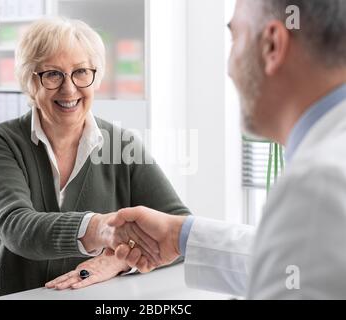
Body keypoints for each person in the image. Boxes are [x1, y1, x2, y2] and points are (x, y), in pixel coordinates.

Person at [109, 0, 346, 299]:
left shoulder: (317, 184)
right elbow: (296, 267)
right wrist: (180, 236)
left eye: (235, 38)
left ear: (272, 45)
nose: (230, 69)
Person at [0, 17, 189, 299]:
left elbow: (181, 232)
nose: (69, 88)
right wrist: (101, 229)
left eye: (81, 72)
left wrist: (120, 260)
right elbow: (17, 228)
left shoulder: (122, 145)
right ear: (29, 80)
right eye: (52, 74)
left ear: (95, 77)